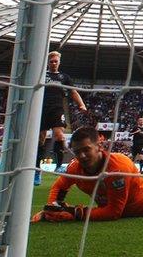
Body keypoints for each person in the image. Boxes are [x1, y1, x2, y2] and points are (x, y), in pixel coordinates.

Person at [31, 127, 143, 222]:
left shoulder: (117, 169)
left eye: (87, 150)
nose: (82, 155)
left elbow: (113, 212)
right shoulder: (75, 167)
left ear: (99, 146)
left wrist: (76, 213)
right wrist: (52, 210)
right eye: (77, 151)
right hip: (126, 205)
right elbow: (59, 187)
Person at [35, 51, 87, 186]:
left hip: (57, 109)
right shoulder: (42, 75)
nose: (53, 63)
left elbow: (73, 91)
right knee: (41, 138)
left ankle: (58, 166)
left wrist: (81, 104)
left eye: (55, 61)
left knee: (60, 136)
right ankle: (36, 170)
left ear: (59, 62)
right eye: (51, 61)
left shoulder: (64, 77)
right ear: (48, 62)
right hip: (42, 109)